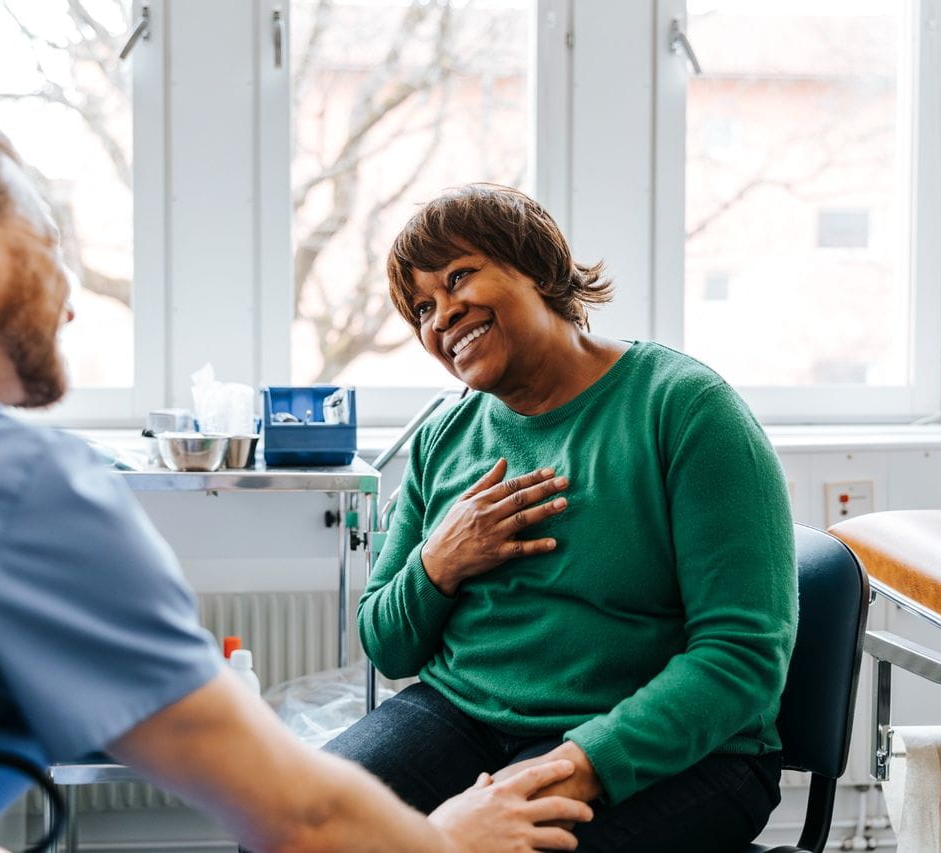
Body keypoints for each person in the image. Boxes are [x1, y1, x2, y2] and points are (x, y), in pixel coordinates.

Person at [0, 106, 595, 852]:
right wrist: (450, 840)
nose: (72, 293)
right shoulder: (12, 479)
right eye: (52, 242)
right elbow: (297, 813)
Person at [323, 184, 798, 853]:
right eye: (423, 307)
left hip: (676, 751)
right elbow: (387, 643)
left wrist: (569, 770)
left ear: (538, 267)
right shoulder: (444, 436)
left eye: (459, 277)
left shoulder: (686, 408)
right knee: (292, 827)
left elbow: (741, 659)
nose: (443, 315)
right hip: (464, 716)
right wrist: (440, 561)